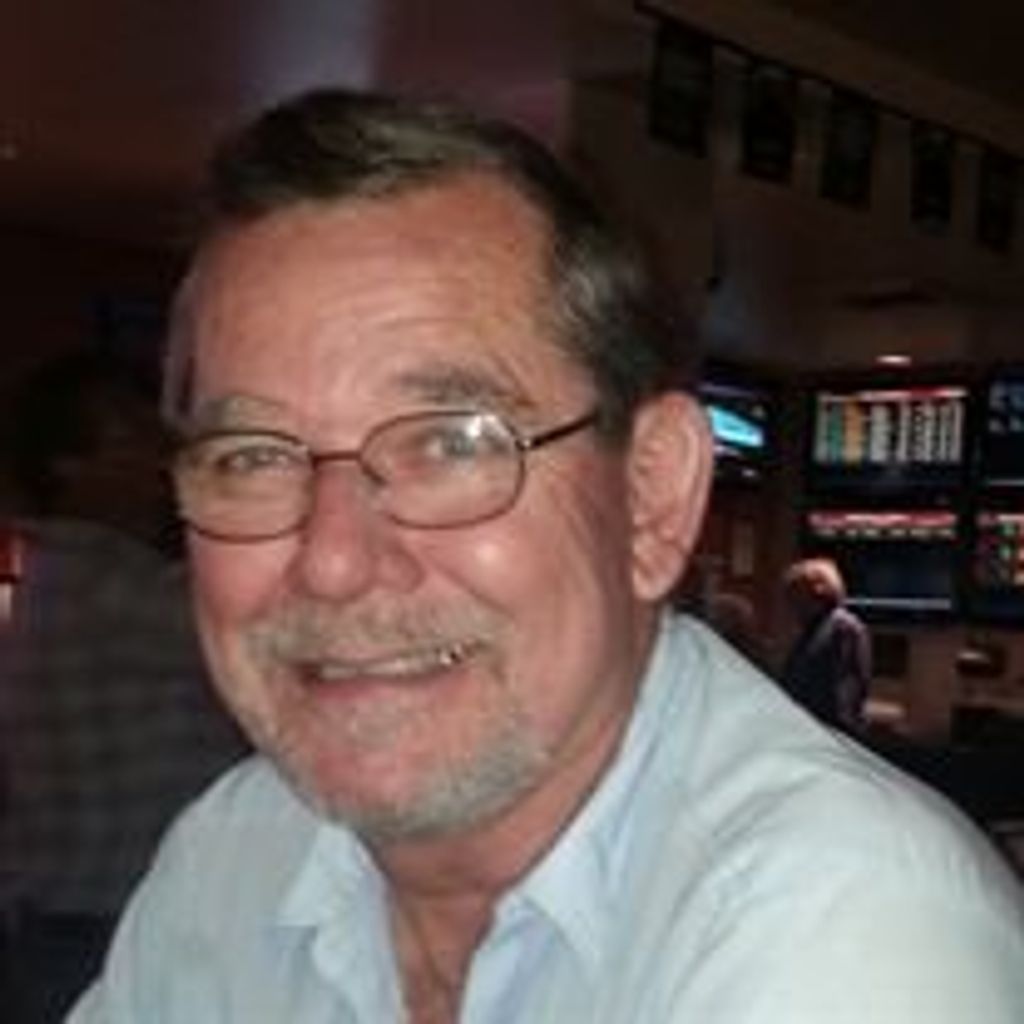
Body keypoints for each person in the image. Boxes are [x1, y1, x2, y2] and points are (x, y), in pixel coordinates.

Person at [70, 89, 1024, 1023]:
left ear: (650, 498)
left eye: (450, 442)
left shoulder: (851, 934)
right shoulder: (235, 851)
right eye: (250, 457)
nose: (332, 562)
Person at [0, 352, 246, 1023]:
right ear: (65, 465)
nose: (160, 457)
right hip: (110, 923)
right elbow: (267, 629)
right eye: (129, 437)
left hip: (61, 917)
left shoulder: (41, 572)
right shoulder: (102, 582)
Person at [779, 557, 872, 735]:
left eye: (794, 594)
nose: (789, 604)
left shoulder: (843, 628)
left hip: (826, 734)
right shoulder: (812, 630)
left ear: (818, 591)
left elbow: (843, 697)